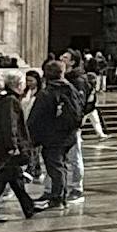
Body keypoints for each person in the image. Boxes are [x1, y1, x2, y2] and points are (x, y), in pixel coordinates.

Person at [0, 69, 37, 223]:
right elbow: (10, 124)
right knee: (0, 181)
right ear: (18, 84)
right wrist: (13, 146)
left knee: (14, 178)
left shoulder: (3, 98)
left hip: (0, 147)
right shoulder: (10, 100)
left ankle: (28, 207)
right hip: (5, 149)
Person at [30, 59, 83, 206]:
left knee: (55, 167)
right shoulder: (71, 89)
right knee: (61, 165)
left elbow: (36, 117)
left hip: (51, 136)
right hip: (69, 135)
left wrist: (31, 138)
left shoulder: (47, 93)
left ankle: (57, 197)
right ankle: (60, 194)